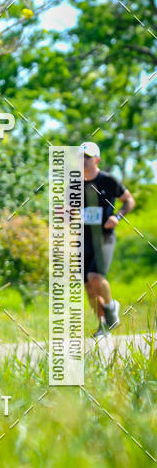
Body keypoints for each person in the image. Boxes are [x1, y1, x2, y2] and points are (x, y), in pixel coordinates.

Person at [81, 141, 135, 337]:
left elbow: (129, 200)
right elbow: (69, 211)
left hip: (104, 237)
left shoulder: (108, 180)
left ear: (97, 160)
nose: (82, 161)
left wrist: (117, 216)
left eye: (86, 157)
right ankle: (104, 325)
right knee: (88, 286)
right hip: (83, 239)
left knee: (95, 277)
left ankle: (111, 306)